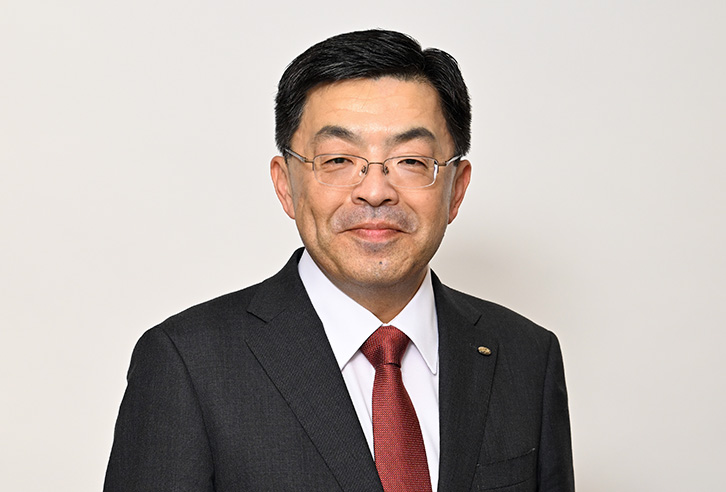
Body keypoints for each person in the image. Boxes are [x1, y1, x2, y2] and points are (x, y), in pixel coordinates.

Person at [104, 29, 574, 492]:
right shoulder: (188, 362)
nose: (375, 191)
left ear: (457, 188)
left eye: (411, 161)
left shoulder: (527, 357)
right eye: (337, 160)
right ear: (285, 184)